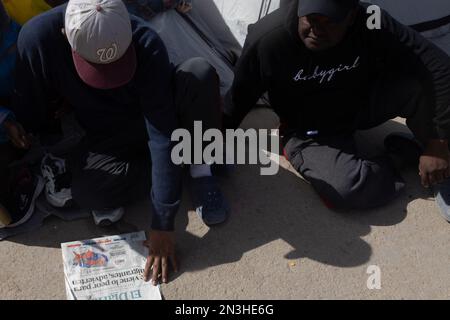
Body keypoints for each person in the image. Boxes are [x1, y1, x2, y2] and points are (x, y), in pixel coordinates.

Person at [10, 0, 229, 284]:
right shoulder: (36, 40)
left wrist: (163, 222)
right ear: (66, 37)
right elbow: (34, 110)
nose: (110, 77)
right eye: (98, 67)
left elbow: (161, 132)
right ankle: (176, 165)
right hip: (108, 135)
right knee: (89, 192)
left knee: (198, 74)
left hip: (157, 116)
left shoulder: (146, 41)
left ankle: (200, 169)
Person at [224, 0, 450, 213]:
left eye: (329, 21)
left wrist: (437, 142)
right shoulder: (269, 37)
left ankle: (442, 163)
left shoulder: (370, 18)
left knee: (422, 85)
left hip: (361, 102)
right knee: (347, 189)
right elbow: (238, 99)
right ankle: (400, 155)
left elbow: (438, 67)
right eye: (311, 18)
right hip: (310, 128)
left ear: (351, 16)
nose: (317, 30)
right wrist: (205, 151)